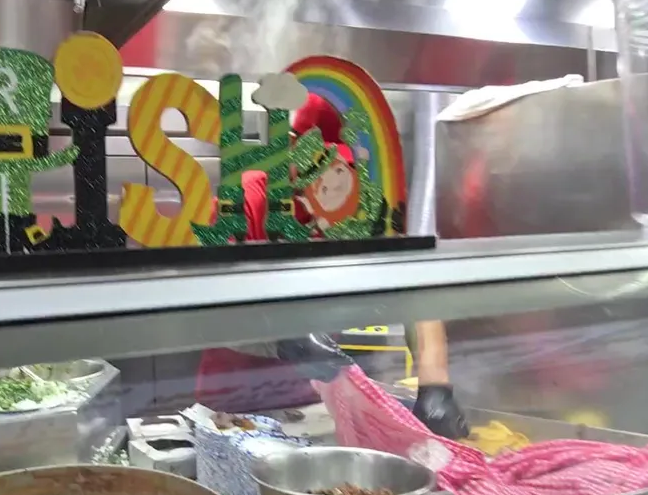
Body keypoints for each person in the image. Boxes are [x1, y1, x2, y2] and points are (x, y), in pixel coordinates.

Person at [193, 93, 469, 439]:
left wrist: (435, 384)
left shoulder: (361, 206)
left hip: (313, 404)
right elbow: (208, 306)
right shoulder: (242, 200)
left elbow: (415, 288)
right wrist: (282, 337)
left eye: (342, 168)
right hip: (231, 406)